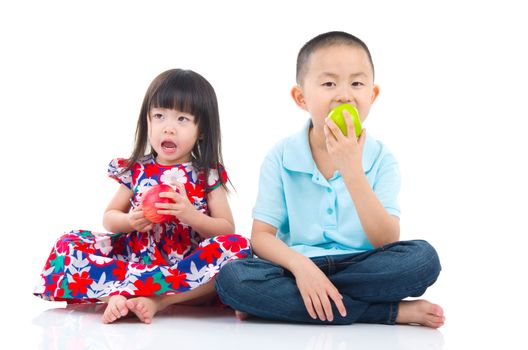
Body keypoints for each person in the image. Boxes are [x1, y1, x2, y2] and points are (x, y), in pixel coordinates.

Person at [214, 31, 445, 328]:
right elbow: (261, 237)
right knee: (233, 280)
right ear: (301, 97)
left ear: (372, 96)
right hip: (298, 269)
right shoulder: (281, 155)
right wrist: (303, 268)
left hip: (364, 266)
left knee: (423, 260)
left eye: (357, 83)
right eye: (329, 84)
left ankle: (288, 304)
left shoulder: (382, 158)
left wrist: (352, 170)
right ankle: (387, 312)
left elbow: (386, 240)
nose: (344, 94)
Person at [34, 69, 251, 324]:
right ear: (147, 121)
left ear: (201, 130)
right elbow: (109, 217)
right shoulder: (137, 169)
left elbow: (226, 228)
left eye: (182, 119)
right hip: (136, 260)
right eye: (159, 116)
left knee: (240, 247)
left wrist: (191, 215)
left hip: (184, 267)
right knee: (68, 243)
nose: (168, 128)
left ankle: (160, 299)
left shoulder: (207, 174)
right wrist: (130, 221)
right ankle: (116, 293)